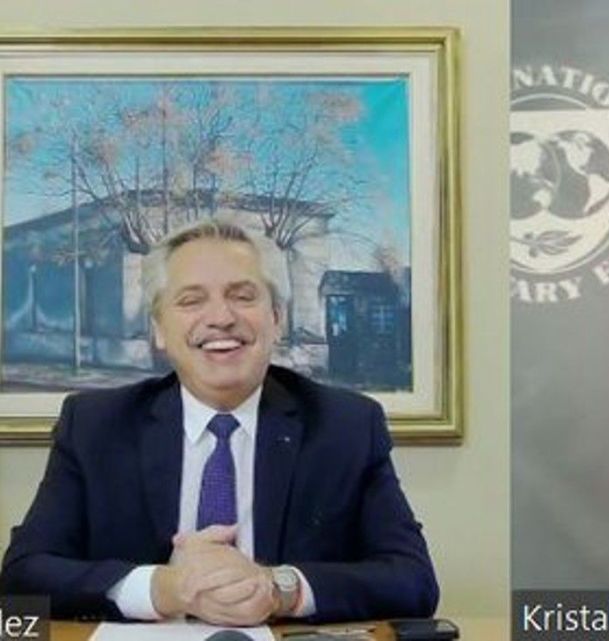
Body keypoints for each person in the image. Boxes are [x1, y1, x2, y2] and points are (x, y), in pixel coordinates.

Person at [0, 221, 438, 625]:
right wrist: (162, 588)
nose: (221, 317)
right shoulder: (95, 425)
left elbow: (413, 580)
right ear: (158, 328)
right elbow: (23, 576)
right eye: (191, 300)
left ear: (276, 319)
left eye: (243, 296)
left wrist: (279, 588)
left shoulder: (346, 426)